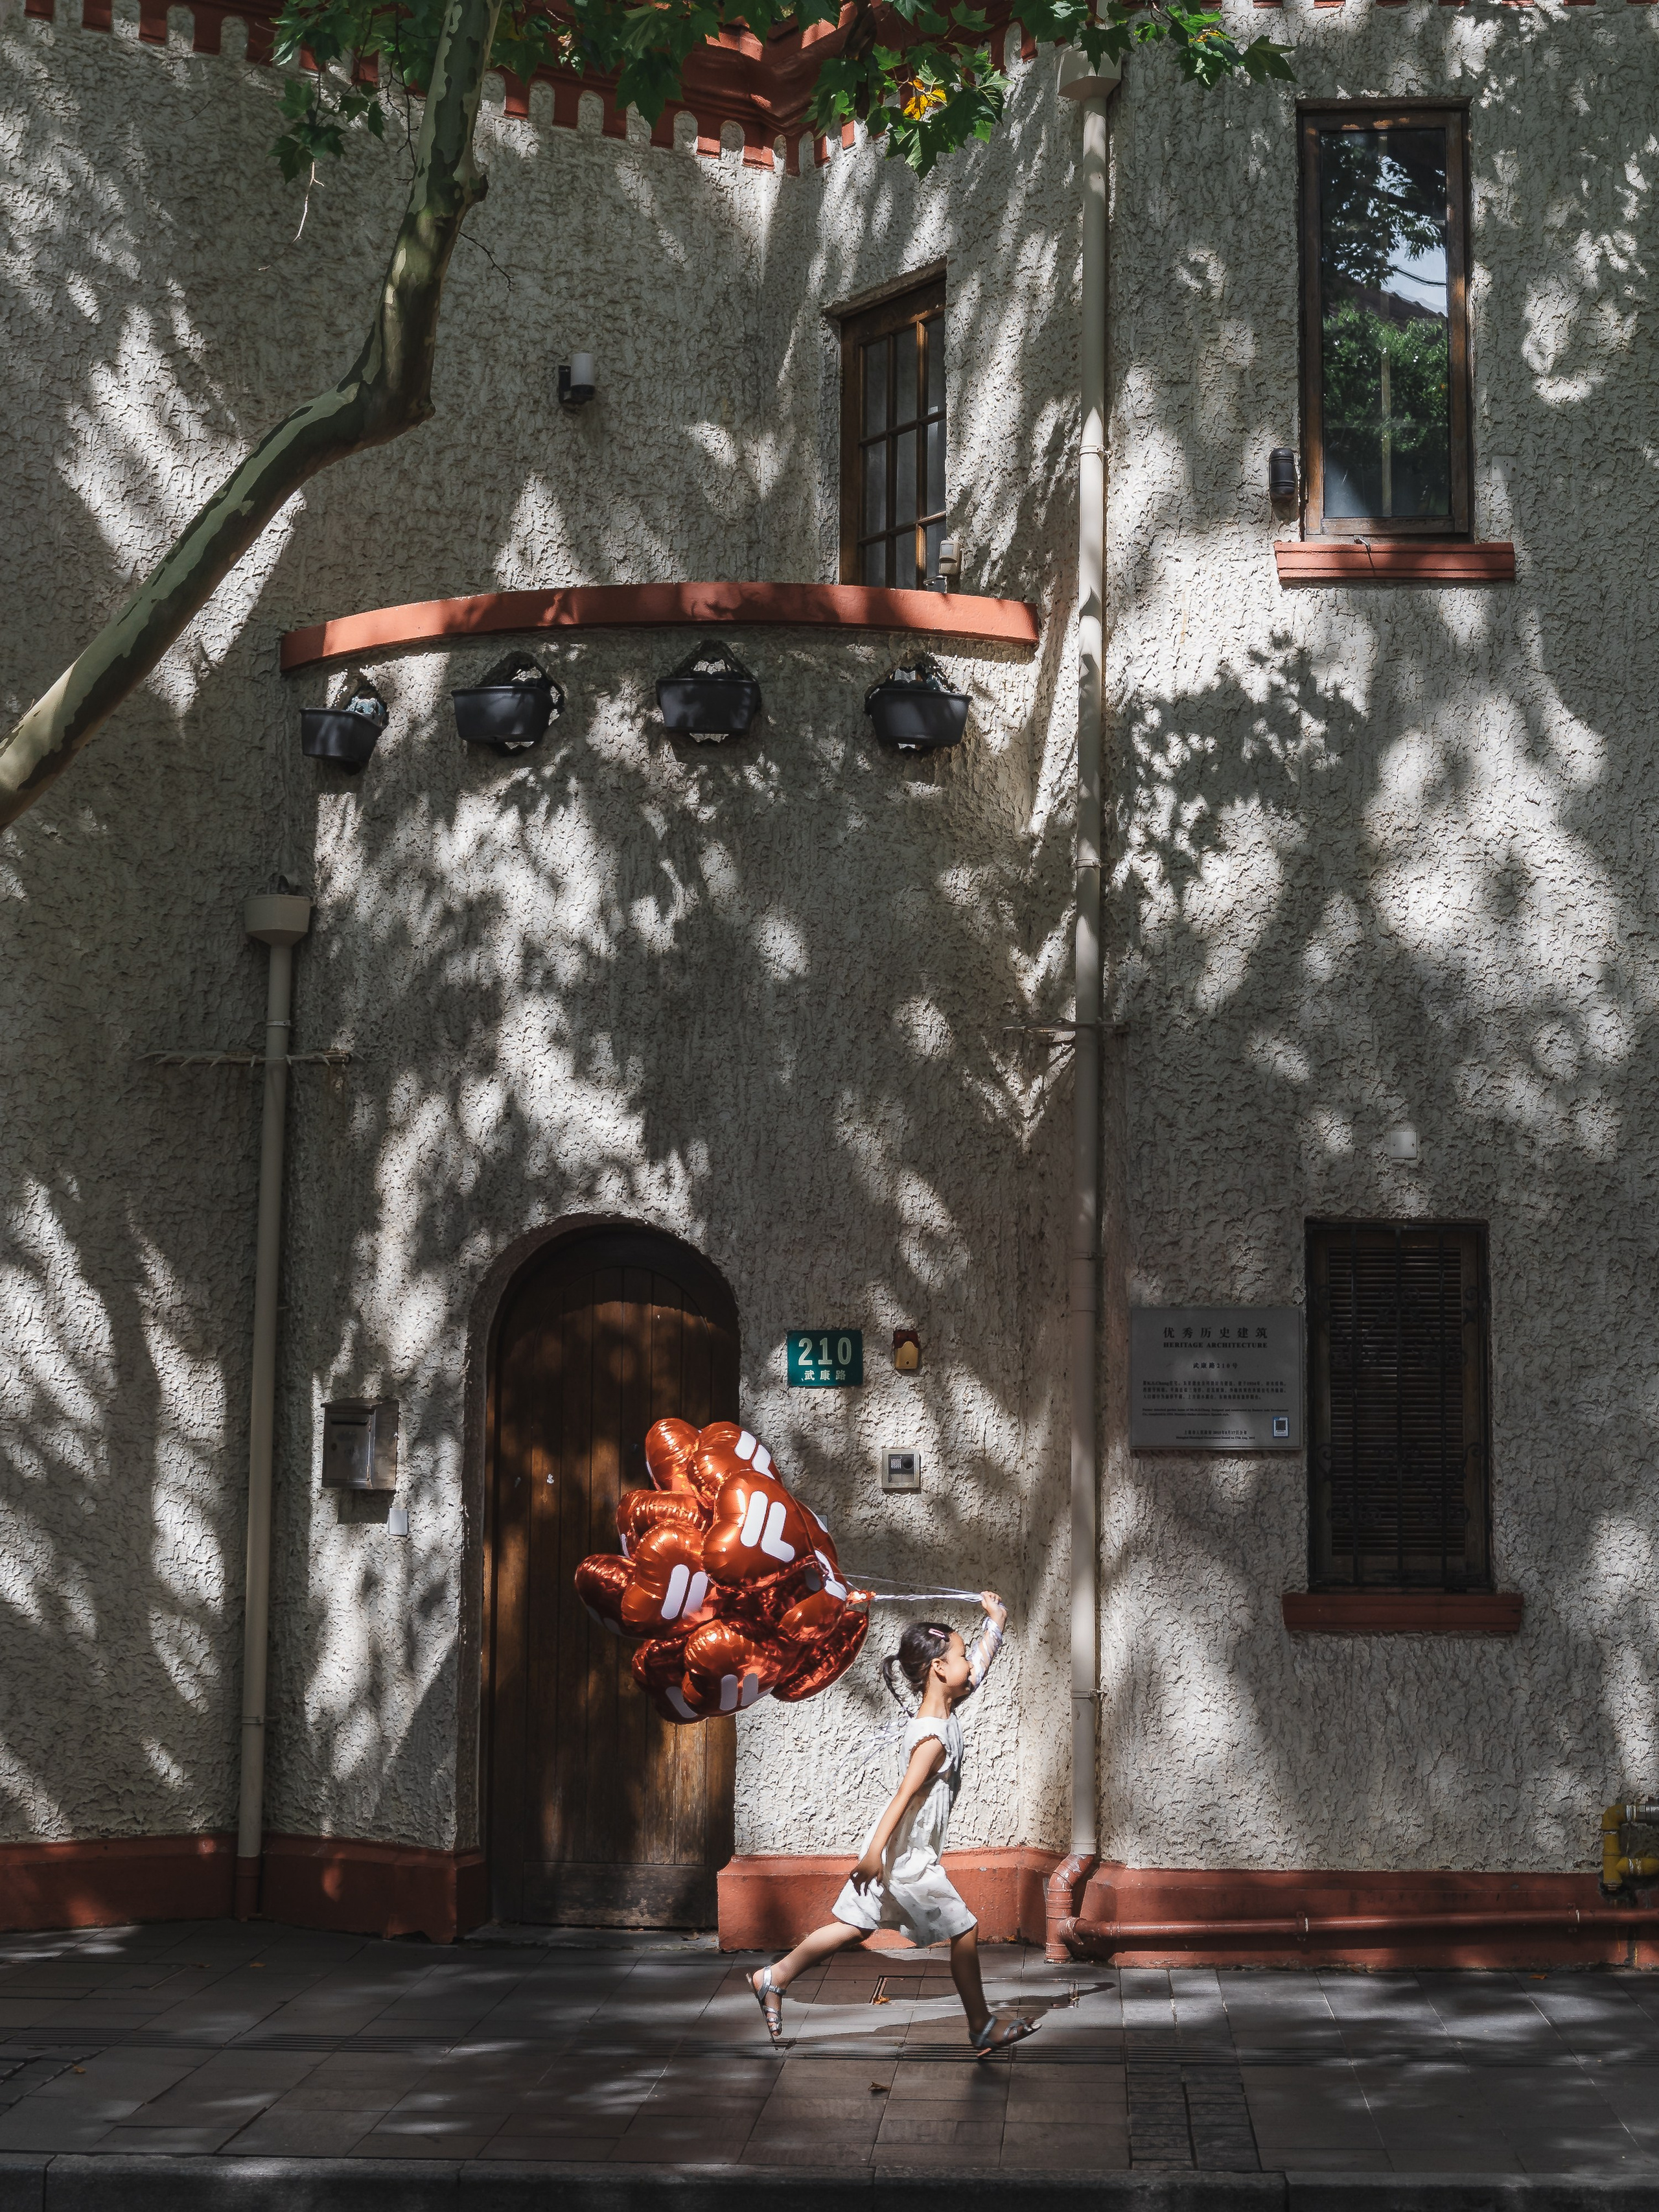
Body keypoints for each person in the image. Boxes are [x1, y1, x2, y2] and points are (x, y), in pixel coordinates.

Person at [749, 1589, 1036, 2058]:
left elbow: (978, 1671)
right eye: (960, 1656)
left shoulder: (946, 1708)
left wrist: (996, 1622)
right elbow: (903, 1798)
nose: (969, 1664)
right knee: (964, 1928)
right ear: (940, 1668)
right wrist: (872, 1856)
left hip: (893, 1851)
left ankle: (773, 1977)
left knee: (853, 1927)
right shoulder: (933, 1736)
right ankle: (981, 2026)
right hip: (906, 1860)